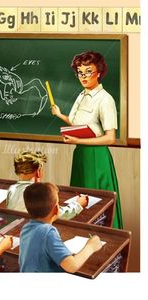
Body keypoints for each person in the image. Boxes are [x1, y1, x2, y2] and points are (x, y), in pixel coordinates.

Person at [51, 51, 123, 228]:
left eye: (88, 71)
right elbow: (78, 124)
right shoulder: (81, 95)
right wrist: (60, 115)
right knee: (79, 201)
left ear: (98, 72)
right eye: (80, 72)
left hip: (97, 158)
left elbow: (110, 138)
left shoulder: (105, 99)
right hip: (81, 155)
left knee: (98, 205)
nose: (83, 76)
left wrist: (77, 140)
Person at [19, 182, 102, 272]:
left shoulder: (26, 228)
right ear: (56, 209)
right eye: (58, 203)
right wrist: (91, 246)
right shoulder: (48, 232)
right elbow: (72, 266)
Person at [6, 151, 88, 219]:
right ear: (38, 172)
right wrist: (78, 204)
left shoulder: (12, 189)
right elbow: (60, 214)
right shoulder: (38, 193)